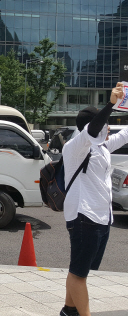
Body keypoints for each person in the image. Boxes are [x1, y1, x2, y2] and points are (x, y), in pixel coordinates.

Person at [60, 83, 127, 316]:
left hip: (101, 217)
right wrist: (109, 104)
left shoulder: (102, 148)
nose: (107, 128)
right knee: (79, 273)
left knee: (82, 269)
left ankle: (69, 309)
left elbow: (126, 134)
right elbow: (93, 129)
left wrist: (122, 102)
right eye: (105, 124)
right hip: (83, 215)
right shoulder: (75, 148)